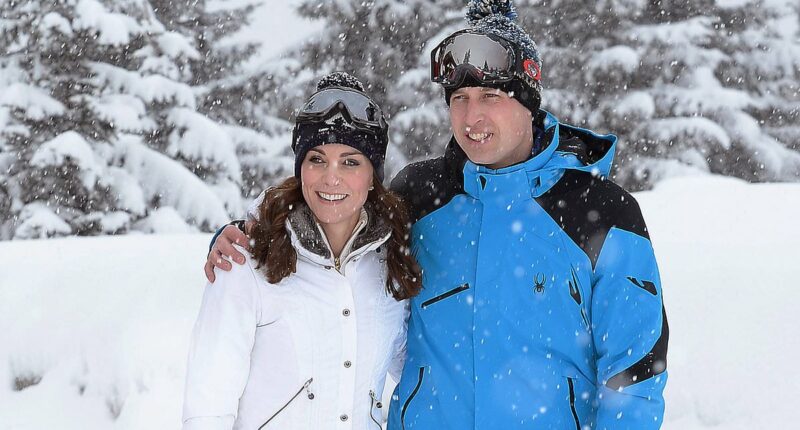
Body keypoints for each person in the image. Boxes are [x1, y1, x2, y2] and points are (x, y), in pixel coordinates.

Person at [206, 1, 669, 429]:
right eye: (459, 98)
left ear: (529, 101)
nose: (472, 117)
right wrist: (246, 235)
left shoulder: (600, 211)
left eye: (490, 96)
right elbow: (333, 220)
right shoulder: (420, 194)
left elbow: (634, 373)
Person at [182, 72, 421, 430]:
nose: (331, 177)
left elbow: (417, 372)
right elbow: (207, 407)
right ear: (300, 168)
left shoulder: (391, 263)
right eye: (317, 159)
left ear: (373, 177)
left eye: (351, 162)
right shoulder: (244, 260)